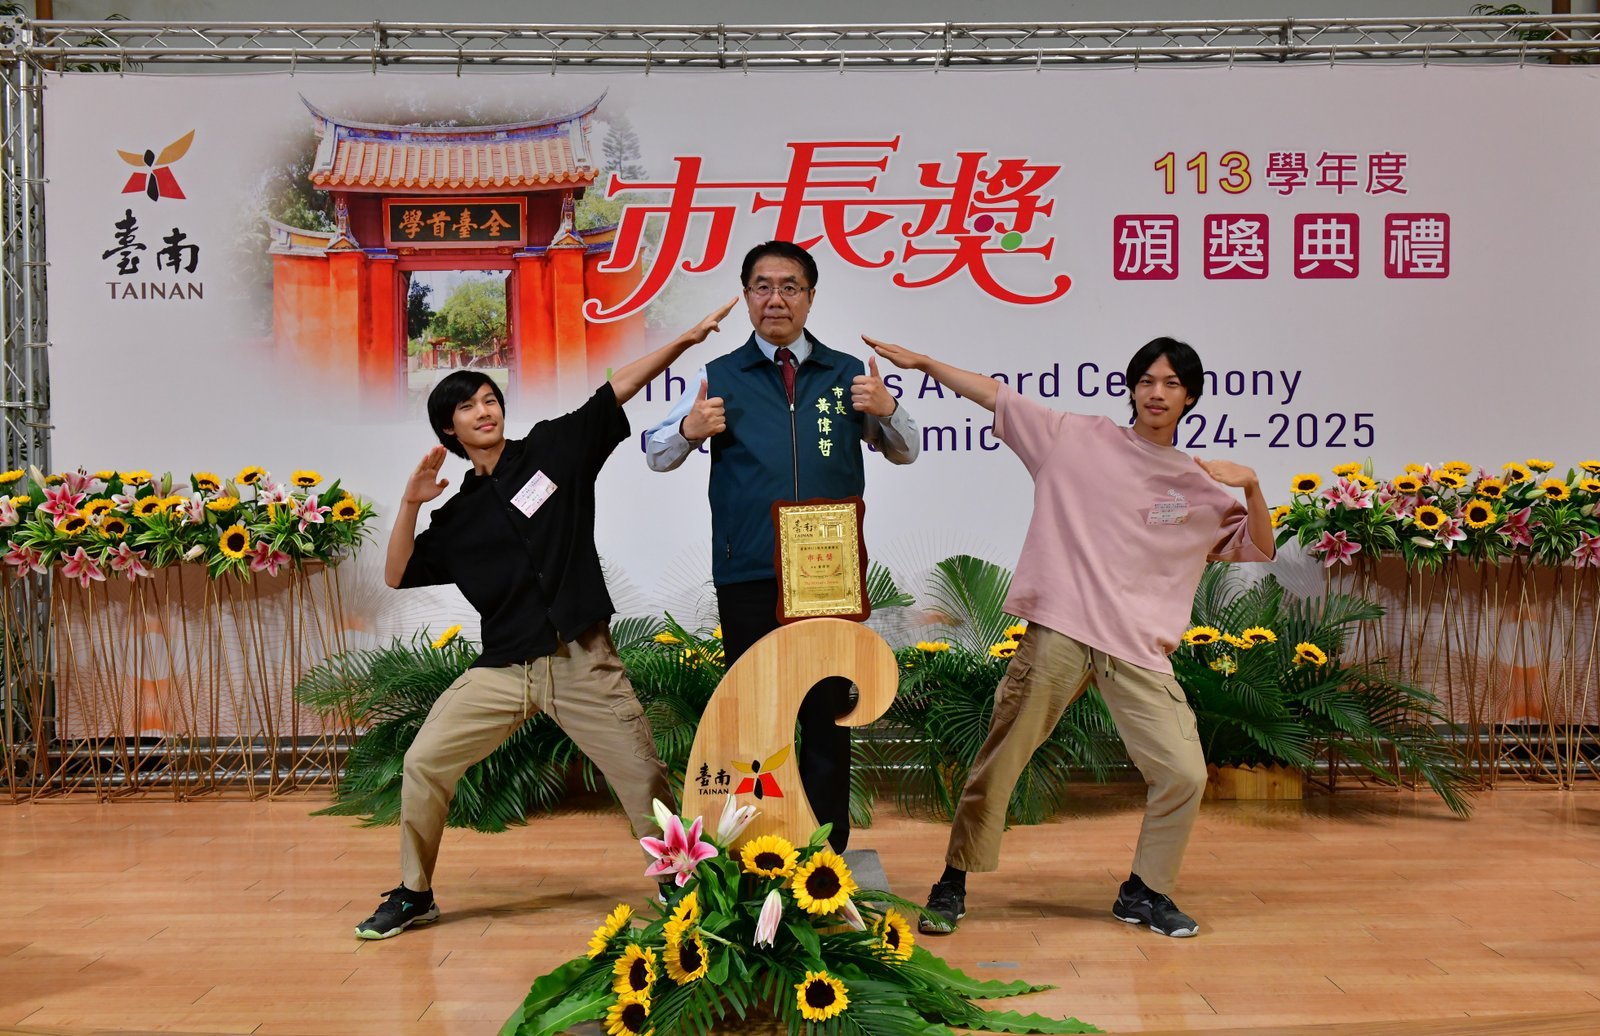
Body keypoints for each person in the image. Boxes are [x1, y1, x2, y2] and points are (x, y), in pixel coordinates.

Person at [865, 333, 1275, 939]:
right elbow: (996, 396)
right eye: (1147, 381)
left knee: (1185, 772)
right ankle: (952, 882)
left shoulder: (1200, 485)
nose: (1157, 393)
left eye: (1171, 384)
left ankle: (1144, 892)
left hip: (1137, 648)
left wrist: (1253, 487)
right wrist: (924, 363)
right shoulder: (1075, 437)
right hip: (1062, 629)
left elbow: (1257, 547)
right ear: (1131, 389)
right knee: (1002, 760)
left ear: (1189, 397)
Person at [353, 300, 736, 940]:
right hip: (504, 668)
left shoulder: (555, 449)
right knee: (423, 762)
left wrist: (686, 339)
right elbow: (397, 573)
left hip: (579, 658)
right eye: (468, 406)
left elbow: (615, 390)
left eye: (490, 399)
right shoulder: (457, 517)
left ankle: (681, 883)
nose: (485, 410)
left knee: (642, 775)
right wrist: (410, 504)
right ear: (449, 428)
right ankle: (415, 894)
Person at [645, 241, 919, 851]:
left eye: (790, 286)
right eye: (762, 286)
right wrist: (689, 429)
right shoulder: (718, 376)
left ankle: (826, 851)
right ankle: (756, 846)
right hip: (747, 569)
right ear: (746, 297)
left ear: (810, 297)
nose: (776, 299)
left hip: (827, 574)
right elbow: (656, 453)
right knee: (752, 717)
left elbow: (906, 451)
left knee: (826, 713)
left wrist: (889, 409)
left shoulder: (848, 373)